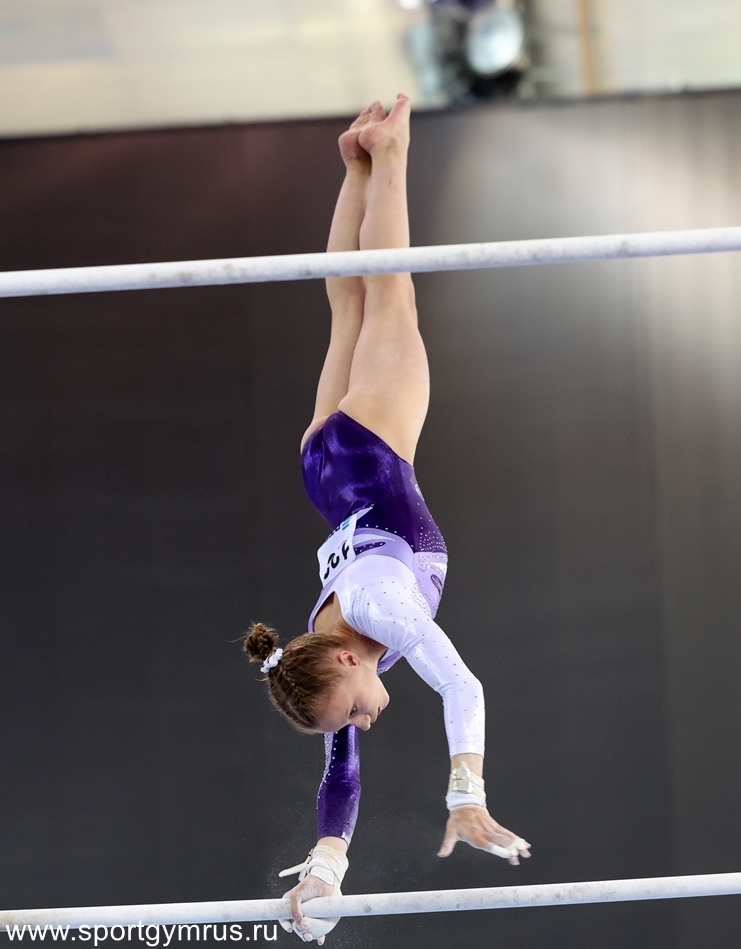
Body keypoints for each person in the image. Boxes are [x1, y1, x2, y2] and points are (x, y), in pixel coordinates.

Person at [243, 95, 530, 944]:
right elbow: (342, 780)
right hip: (325, 468)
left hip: (374, 447)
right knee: (347, 302)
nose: (363, 721)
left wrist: (467, 792)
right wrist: (326, 866)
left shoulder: (377, 614)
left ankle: (392, 150)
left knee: (388, 286)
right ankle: (356, 162)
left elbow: (464, 686)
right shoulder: (326, 650)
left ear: (340, 659)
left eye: (352, 712)